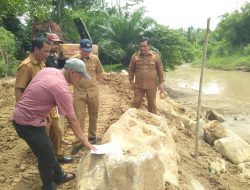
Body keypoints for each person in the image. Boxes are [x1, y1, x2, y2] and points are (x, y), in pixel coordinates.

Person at [12, 58, 96, 190]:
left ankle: (58, 175)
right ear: (73, 72)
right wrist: (85, 141)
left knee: (48, 149)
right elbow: (72, 119)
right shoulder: (61, 88)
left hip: (30, 117)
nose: (80, 79)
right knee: (45, 154)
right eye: (80, 76)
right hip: (26, 123)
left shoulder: (49, 71)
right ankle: (48, 185)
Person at [71, 38, 104, 154]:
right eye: (85, 50)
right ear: (80, 49)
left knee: (93, 115)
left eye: (89, 50)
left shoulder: (95, 59)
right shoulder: (73, 60)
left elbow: (100, 72)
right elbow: (68, 74)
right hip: (79, 93)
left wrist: (95, 82)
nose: (87, 52)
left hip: (93, 93)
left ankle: (92, 137)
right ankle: (79, 141)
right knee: (79, 117)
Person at [46, 33, 74, 163]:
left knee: (57, 120)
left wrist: (62, 57)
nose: (56, 45)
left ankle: (57, 144)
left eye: (57, 43)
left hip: (54, 92)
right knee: (49, 122)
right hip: (48, 94)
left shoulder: (54, 55)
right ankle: (47, 148)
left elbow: (60, 65)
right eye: (54, 43)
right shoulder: (46, 58)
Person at [128, 37, 165, 114]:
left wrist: (161, 83)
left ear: (149, 46)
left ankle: (153, 123)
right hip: (138, 86)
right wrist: (131, 81)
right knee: (135, 105)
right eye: (141, 46)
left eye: (144, 46)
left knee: (152, 106)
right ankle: (135, 122)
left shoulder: (155, 56)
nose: (142, 48)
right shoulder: (135, 56)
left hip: (151, 86)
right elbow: (131, 69)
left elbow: (160, 70)